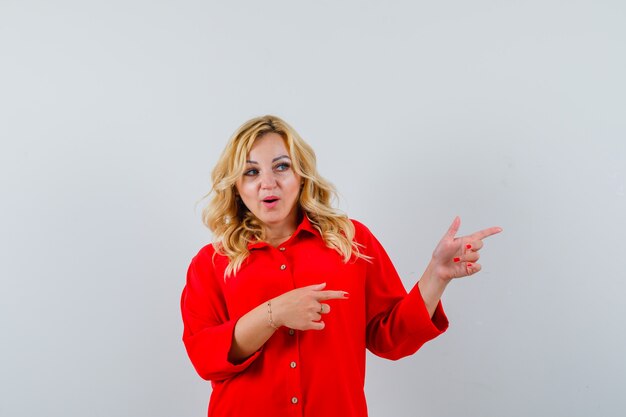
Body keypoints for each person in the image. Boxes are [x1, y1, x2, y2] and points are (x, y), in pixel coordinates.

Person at [180, 115, 502, 417]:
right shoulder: (210, 264)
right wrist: (274, 313)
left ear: (301, 175)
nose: (268, 183)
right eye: (251, 172)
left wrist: (436, 276)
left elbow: (389, 338)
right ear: (236, 185)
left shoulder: (351, 241)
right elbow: (206, 359)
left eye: (281, 167)